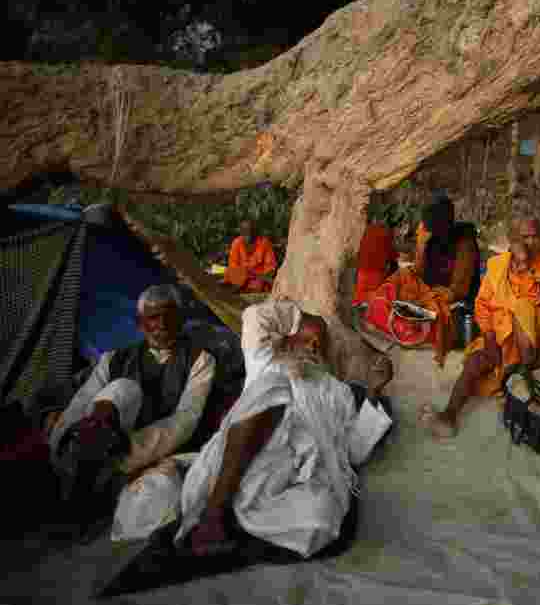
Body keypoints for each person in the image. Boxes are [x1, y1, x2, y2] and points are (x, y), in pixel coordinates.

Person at [175, 299, 394, 558]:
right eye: (308, 337)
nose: (313, 345)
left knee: (321, 515)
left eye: (320, 341)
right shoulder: (266, 362)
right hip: (247, 464)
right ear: (289, 337)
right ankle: (214, 514)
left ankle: (242, 527)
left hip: (295, 482)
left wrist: (373, 392)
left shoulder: (339, 392)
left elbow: (353, 453)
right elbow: (254, 316)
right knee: (273, 386)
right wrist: (304, 319)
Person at [46, 285, 218, 516]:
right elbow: (82, 402)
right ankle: (81, 462)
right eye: (153, 318)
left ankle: (87, 483)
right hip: (92, 447)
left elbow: (186, 419)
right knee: (122, 389)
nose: (161, 325)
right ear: (140, 323)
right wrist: (59, 443)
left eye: (169, 317)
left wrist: (126, 454)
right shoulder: (114, 358)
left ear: (180, 321)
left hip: (138, 449)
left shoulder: (200, 360)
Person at [420, 219, 540, 439]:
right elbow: (482, 305)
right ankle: (449, 415)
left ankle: (522, 378)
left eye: (534, 237)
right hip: (500, 333)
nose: (530, 242)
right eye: (524, 237)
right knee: (475, 362)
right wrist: (490, 337)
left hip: (536, 337)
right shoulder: (497, 265)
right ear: (512, 241)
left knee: (523, 308)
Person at [369, 195, 480, 366]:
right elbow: (419, 271)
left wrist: (424, 299)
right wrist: (421, 245)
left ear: (445, 223)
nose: (427, 230)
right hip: (429, 292)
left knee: (423, 317)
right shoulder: (431, 236)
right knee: (399, 280)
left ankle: (410, 327)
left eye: (432, 226)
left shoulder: (465, 243)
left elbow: (458, 290)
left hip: (453, 303)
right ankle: (395, 317)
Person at [353, 212, 399, 306]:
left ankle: (359, 305)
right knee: (374, 298)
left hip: (362, 269)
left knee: (361, 296)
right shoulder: (388, 233)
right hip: (375, 271)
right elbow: (392, 257)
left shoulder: (368, 229)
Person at [224, 220, 277, 293]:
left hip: (258, 279)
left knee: (259, 284)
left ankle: (244, 288)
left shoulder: (264, 243)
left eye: (251, 231)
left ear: (255, 232)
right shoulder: (237, 243)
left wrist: (263, 276)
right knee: (231, 274)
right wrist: (244, 275)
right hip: (241, 277)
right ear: (241, 232)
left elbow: (271, 267)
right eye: (244, 231)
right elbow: (233, 265)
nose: (248, 234)